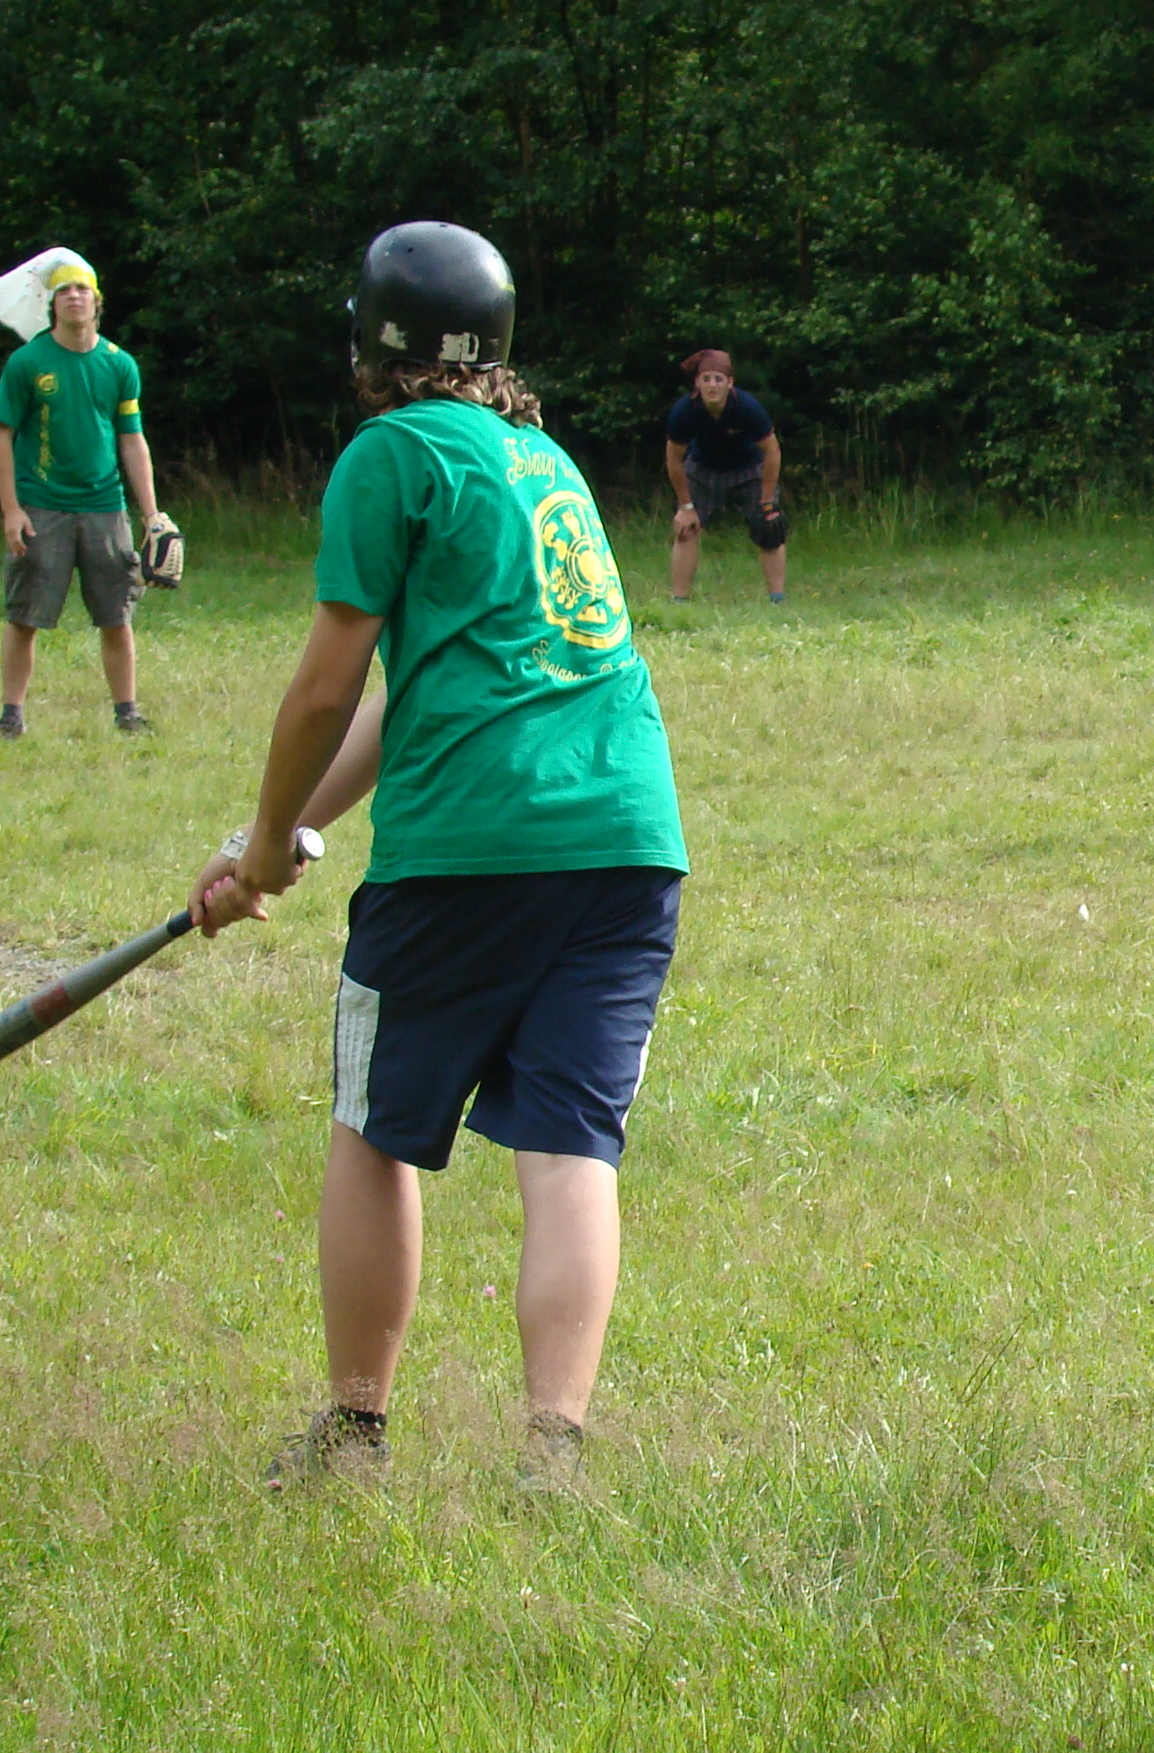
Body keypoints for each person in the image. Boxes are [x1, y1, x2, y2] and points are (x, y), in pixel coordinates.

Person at [191, 223, 688, 1496]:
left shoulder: (392, 453)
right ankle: (553, 1448)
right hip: (626, 840)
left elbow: (327, 686)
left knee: (374, 1131)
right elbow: (412, 696)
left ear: (373, 343)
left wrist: (263, 842)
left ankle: (356, 1435)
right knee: (572, 1147)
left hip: (470, 849)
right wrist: (281, 838)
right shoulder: (543, 461)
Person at [0, 253, 176, 737]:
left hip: (104, 507)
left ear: (97, 301)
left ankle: (127, 713)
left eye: (82, 289)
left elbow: (131, 438)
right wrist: (11, 510)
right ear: (52, 304)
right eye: (64, 290)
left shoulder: (119, 364)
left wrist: (152, 514)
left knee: (117, 615)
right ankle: (11, 716)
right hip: (41, 506)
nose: (73, 297)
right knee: (25, 616)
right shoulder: (28, 362)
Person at [664, 348, 785, 602]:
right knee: (686, 530)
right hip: (702, 469)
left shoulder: (748, 407)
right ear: (697, 383)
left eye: (718, 379)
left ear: (730, 383)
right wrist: (686, 506)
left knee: (770, 528)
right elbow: (674, 457)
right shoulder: (684, 411)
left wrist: (767, 502)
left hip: (749, 469)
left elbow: (772, 451)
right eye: (706, 379)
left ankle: (777, 599)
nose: (712, 386)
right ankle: (679, 601)